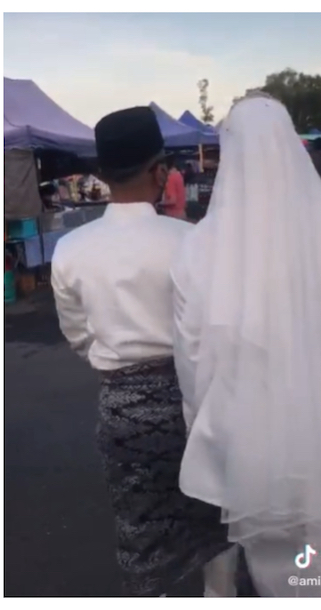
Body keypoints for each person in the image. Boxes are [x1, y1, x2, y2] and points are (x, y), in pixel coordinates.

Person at [171, 93, 321, 597]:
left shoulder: (200, 245)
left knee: (279, 586)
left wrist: (215, 436)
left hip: (254, 456)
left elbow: (192, 362)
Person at [51, 107, 235, 597]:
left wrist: (118, 363)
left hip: (122, 411)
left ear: (101, 175)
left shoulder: (70, 249)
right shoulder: (191, 240)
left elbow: (78, 337)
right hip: (195, 403)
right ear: (160, 173)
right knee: (214, 522)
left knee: (140, 528)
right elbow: (216, 327)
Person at [162, 155, 187, 219]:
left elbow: (172, 200)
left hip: (173, 216)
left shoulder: (171, 178)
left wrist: (160, 204)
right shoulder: (179, 176)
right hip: (181, 213)